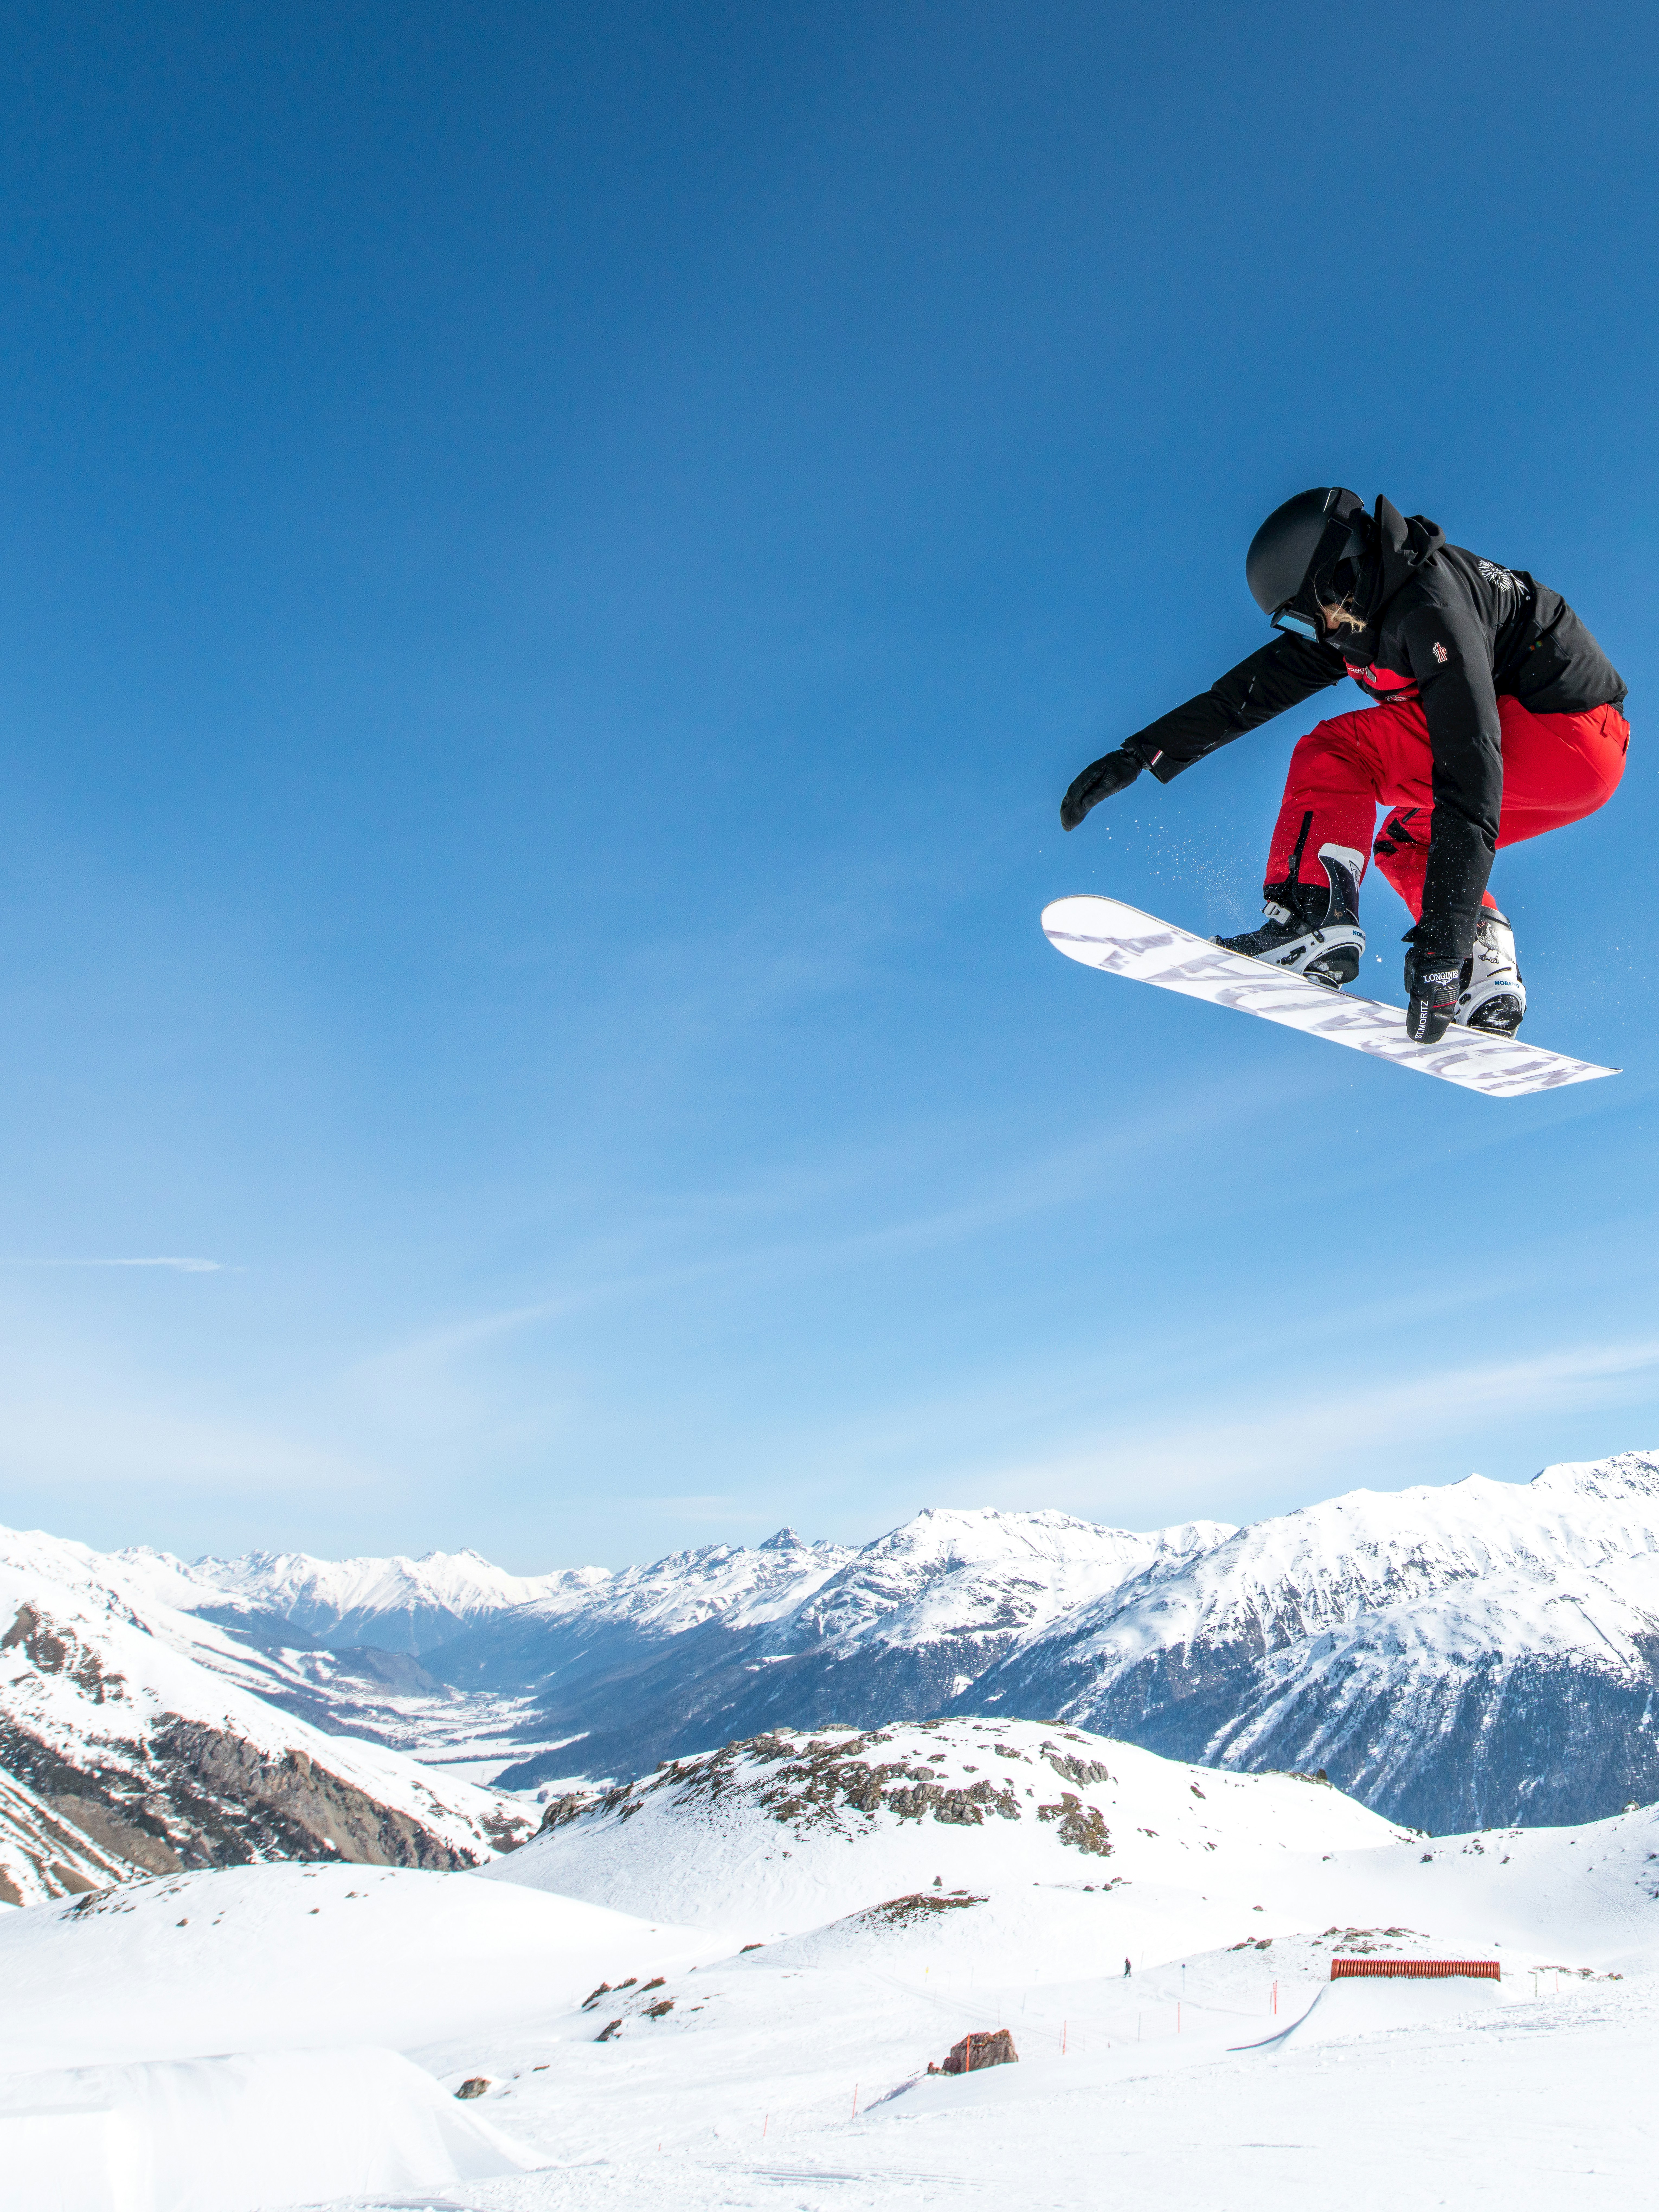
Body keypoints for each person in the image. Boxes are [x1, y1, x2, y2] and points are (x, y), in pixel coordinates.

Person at [1059, 489, 1629, 1041]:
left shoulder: (1432, 610)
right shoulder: (1364, 607)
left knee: (1337, 753)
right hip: (1585, 769)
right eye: (1300, 626)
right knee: (1406, 844)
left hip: (1548, 730)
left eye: (1311, 618)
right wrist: (1142, 752)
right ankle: (1486, 973)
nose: (1319, 635)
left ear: (1340, 576)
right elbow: (1249, 693)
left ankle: (1310, 920)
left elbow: (1470, 768)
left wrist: (1440, 945)